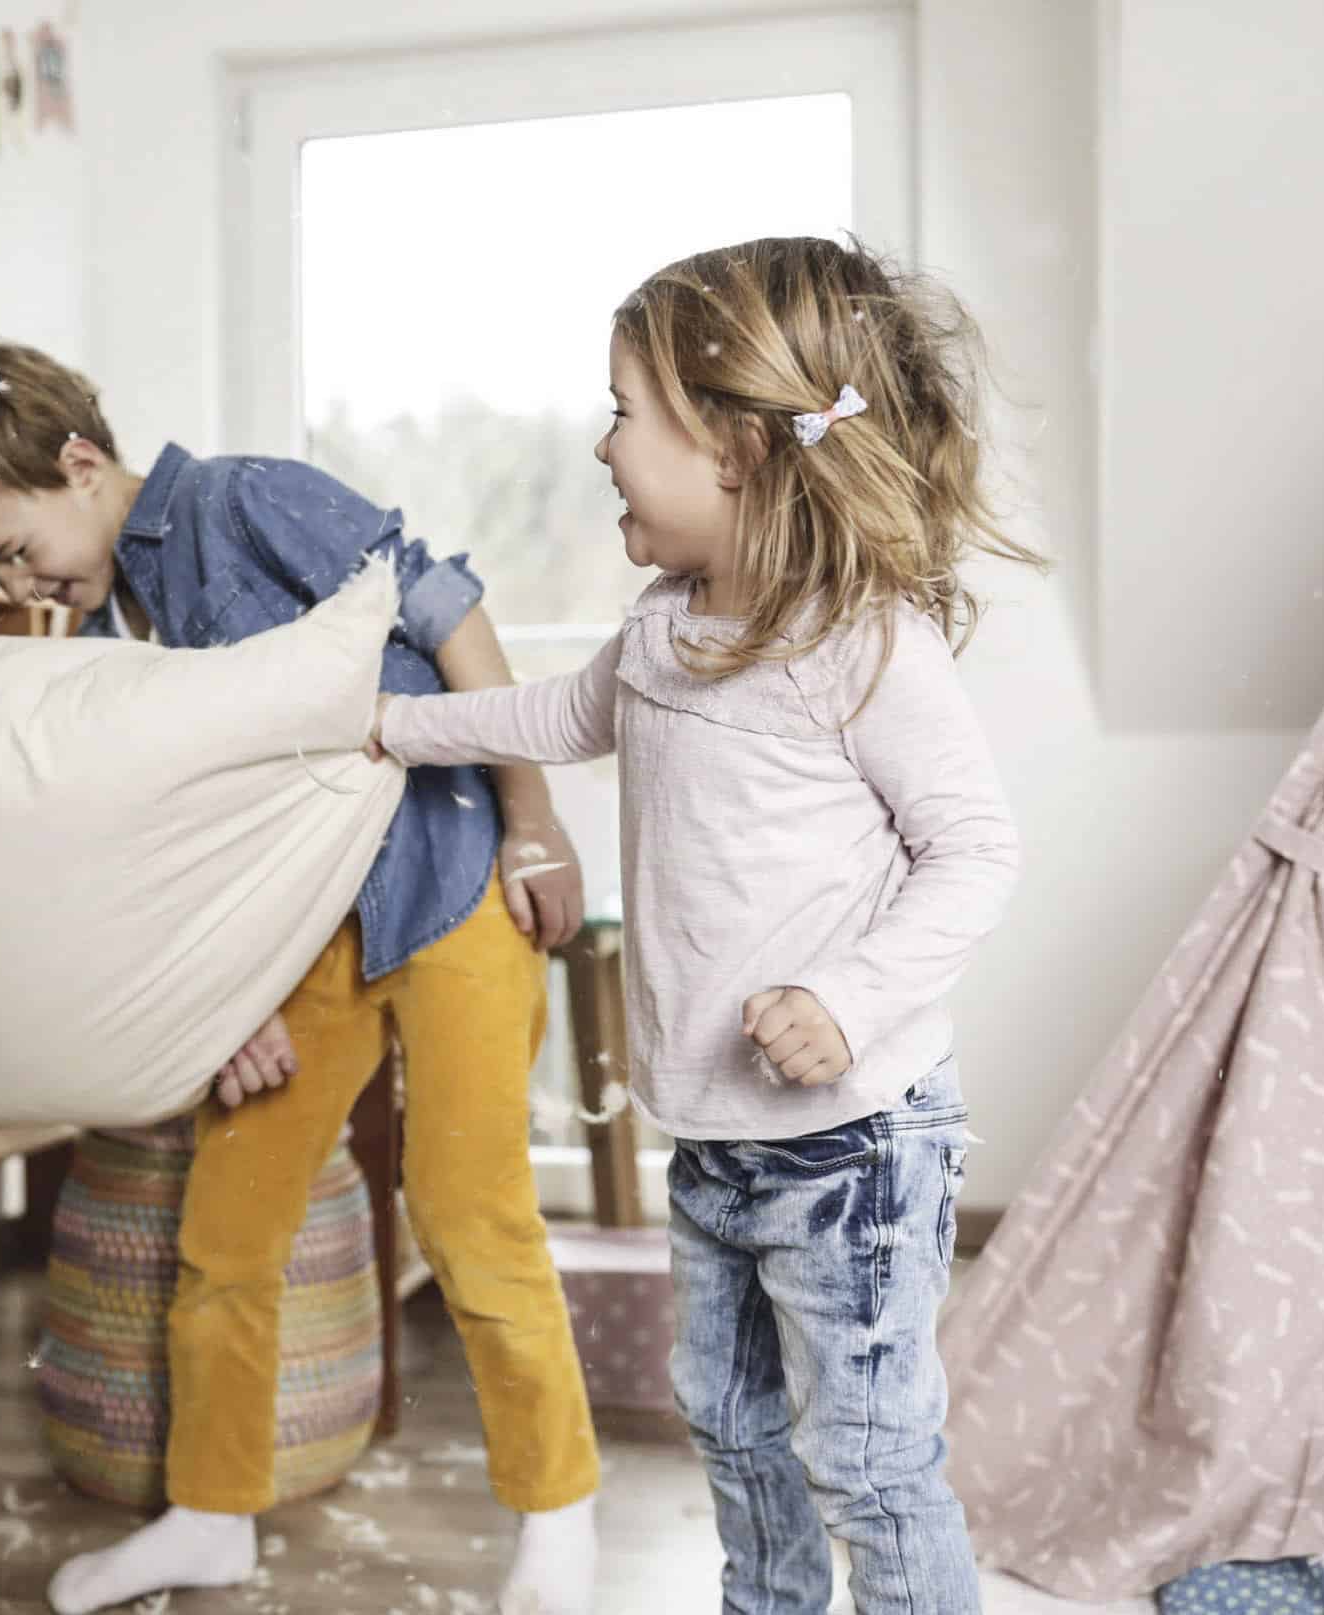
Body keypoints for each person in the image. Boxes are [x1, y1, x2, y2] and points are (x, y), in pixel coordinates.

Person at [0, 343, 603, 1615]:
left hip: (450, 877)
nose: (19, 582)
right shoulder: (102, 634)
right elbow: (173, 848)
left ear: (79, 464)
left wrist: (533, 820)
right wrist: (229, 998)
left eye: (15, 547)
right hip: (294, 944)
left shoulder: (247, 501)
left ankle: (559, 1525)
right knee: (225, 1236)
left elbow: (449, 617)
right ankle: (211, 1515)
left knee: (471, 1214)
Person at [368, 236, 1042, 1613]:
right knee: (735, 1439)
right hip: (718, 1141)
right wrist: (391, 725)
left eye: (624, 409)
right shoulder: (668, 628)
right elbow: (556, 713)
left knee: (866, 1454)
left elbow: (974, 851)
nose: (602, 442)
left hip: (854, 1141)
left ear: (734, 446)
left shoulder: (860, 640)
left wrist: (850, 996)